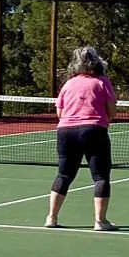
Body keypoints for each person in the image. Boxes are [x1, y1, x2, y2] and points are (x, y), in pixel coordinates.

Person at [46, 45, 118, 231]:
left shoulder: (68, 84)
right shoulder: (102, 81)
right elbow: (111, 111)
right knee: (101, 176)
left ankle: (51, 217)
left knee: (63, 174)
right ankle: (100, 221)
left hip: (66, 132)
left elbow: (60, 111)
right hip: (93, 130)